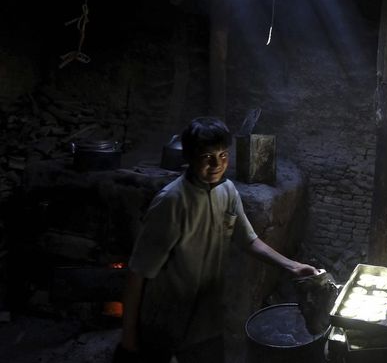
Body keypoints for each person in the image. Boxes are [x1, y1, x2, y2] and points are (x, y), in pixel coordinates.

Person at [114, 116, 317, 363]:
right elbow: (137, 273)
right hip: (167, 320)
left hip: (207, 321)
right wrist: (128, 337)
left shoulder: (227, 191)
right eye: (207, 157)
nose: (216, 165)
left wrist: (293, 266)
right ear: (189, 158)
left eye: (223, 156)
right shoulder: (171, 203)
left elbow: (249, 240)